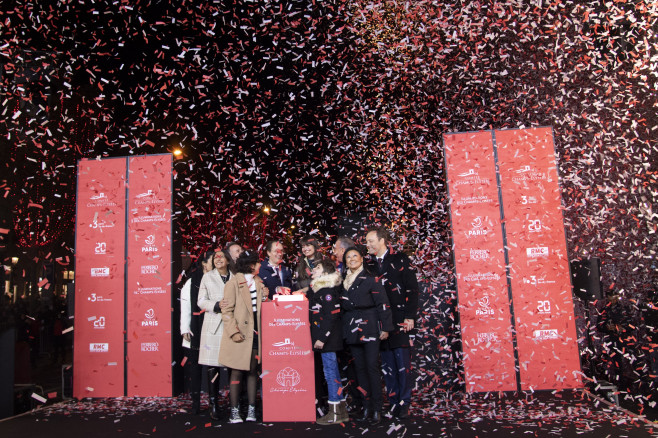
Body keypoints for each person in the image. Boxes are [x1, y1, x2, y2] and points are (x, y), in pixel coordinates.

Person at [366, 226, 419, 419]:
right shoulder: (368, 265)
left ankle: (404, 402)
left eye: (371, 241)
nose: (368, 245)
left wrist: (410, 316)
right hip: (380, 323)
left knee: (402, 363)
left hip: (400, 321)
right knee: (387, 365)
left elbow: (412, 289)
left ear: (382, 241)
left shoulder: (400, 259)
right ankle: (394, 401)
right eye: (366, 241)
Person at [340, 246, 393, 425]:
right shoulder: (342, 281)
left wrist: (385, 328)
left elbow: (383, 304)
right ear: (345, 261)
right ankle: (366, 407)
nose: (352, 259)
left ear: (362, 258)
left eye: (355, 256)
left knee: (371, 367)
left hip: (369, 327)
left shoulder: (371, 278)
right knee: (360, 370)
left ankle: (377, 408)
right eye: (348, 257)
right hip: (351, 328)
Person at [219, 250, 268, 423]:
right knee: (237, 372)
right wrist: (233, 331)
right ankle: (234, 410)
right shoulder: (233, 283)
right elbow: (226, 310)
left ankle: (252, 410)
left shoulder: (259, 282)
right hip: (240, 333)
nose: (261, 265)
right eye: (258, 262)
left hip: (255, 333)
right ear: (251, 265)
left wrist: (266, 295)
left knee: (253, 371)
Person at [310, 259, 348, 425]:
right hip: (326, 341)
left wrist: (322, 338)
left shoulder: (327, 291)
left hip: (328, 341)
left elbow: (331, 316)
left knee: (331, 374)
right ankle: (341, 411)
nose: (313, 269)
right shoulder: (320, 290)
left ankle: (334, 413)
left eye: (317, 267)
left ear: (325, 274)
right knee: (333, 373)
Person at [197, 249, 232, 420]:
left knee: (235, 365)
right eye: (215, 258)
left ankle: (235, 404)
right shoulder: (207, 277)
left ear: (227, 260)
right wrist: (216, 305)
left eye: (221, 257)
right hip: (213, 326)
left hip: (232, 325)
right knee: (213, 367)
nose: (218, 260)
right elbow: (201, 300)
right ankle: (214, 404)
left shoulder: (235, 276)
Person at [180, 250, 214, 415]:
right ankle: (195, 405)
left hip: (214, 330)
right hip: (194, 331)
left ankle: (213, 403)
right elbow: (185, 306)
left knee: (212, 369)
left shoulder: (219, 280)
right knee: (195, 369)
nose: (215, 264)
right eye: (212, 261)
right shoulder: (192, 281)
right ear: (204, 263)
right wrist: (185, 328)